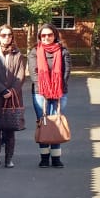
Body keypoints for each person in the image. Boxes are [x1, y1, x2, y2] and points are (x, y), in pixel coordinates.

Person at [28, 23, 72, 168]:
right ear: (40, 37)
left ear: (55, 35)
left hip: (59, 93)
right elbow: (34, 74)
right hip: (41, 94)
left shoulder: (63, 51)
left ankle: (56, 158)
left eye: (50, 35)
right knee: (44, 123)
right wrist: (44, 90)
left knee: (56, 123)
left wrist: (57, 88)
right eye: (44, 35)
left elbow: (66, 72)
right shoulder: (34, 51)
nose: (47, 37)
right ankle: (44, 158)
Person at [0, 25, 27, 168]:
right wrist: (2, 91)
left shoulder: (18, 55)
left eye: (9, 35)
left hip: (12, 98)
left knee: (10, 131)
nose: (6, 37)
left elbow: (20, 76)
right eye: (3, 35)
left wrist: (12, 91)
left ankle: (9, 159)